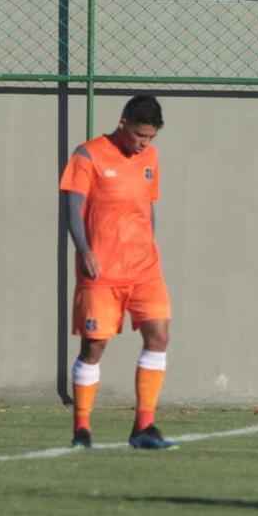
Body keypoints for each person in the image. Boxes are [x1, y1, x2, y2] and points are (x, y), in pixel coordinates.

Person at [60, 95, 176, 450]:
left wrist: (149, 244)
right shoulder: (88, 155)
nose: (144, 144)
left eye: (151, 138)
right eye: (140, 135)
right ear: (123, 122)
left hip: (144, 268)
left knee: (159, 336)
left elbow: (147, 207)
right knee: (94, 347)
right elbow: (72, 208)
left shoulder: (150, 158)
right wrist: (84, 250)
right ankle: (82, 429)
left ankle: (144, 427)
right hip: (103, 270)